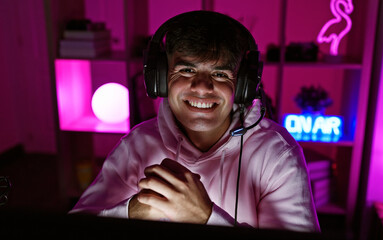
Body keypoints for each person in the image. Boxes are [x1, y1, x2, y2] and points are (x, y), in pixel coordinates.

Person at [70, 10, 320, 232]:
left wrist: (204, 217)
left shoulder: (278, 154)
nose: (202, 87)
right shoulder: (137, 144)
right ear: (160, 78)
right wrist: (133, 211)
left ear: (243, 85)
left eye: (220, 74)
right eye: (187, 70)